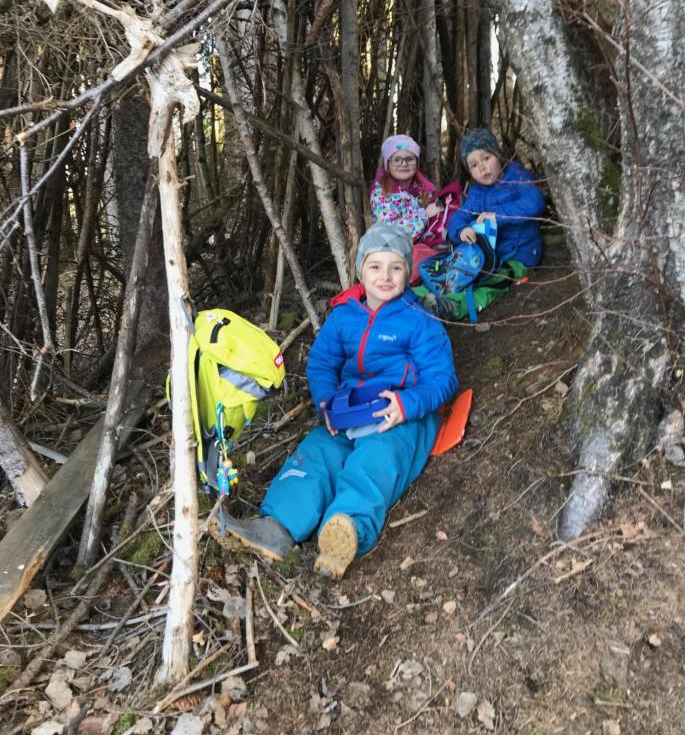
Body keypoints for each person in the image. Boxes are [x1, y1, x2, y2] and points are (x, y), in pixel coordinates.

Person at [210, 222, 458, 579]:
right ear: (361, 271)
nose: (385, 276)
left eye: (396, 267)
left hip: (401, 416)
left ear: (408, 271)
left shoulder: (419, 320)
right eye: (375, 266)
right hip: (349, 410)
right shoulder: (344, 316)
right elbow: (322, 363)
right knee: (318, 454)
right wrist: (326, 402)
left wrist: (408, 405)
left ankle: (347, 531)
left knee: (376, 459)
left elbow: (442, 377)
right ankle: (276, 527)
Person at [369, 134, 462, 282]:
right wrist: (425, 214)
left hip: (423, 245)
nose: (404, 164)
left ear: (416, 162)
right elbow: (395, 233)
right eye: (397, 159)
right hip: (393, 251)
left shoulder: (423, 188)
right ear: (387, 164)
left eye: (410, 159)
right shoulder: (381, 193)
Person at [447, 127, 545, 268]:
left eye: (486, 158)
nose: (482, 168)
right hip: (493, 255)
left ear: (498, 155)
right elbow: (458, 217)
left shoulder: (516, 177)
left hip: (522, 253)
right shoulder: (477, 193)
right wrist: (461, 230)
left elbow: (535, 202)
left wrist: (497, 215)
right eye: (474, 165)